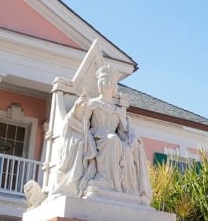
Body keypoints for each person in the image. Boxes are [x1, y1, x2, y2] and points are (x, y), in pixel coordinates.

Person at [54, 65, 152, 202]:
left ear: (114, 87)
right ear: (100, 84)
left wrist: (133, 139)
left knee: (119, 141)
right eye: (105, 81)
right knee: (112, 140)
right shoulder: (93, 103)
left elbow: (126, 130)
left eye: (111, 81)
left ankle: (115, 184)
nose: (108, 84)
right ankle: (103, 179)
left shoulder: (118, 110)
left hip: (113, 139)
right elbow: (80, 122)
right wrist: (77, 108)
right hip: (96, 137)